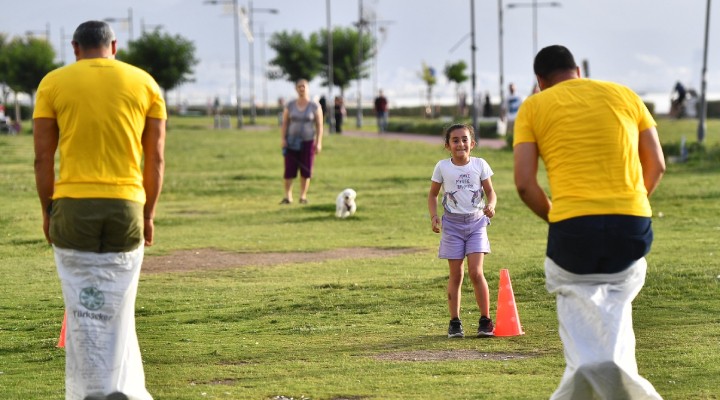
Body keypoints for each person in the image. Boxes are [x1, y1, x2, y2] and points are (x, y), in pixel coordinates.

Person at [513, 45, 665, 399]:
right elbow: (656, 164)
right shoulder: (624, 94)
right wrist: (632, 205)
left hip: (573, 231)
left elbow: (524, 184)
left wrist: (557, 217)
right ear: (578, 70)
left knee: (584, 346)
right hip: (631, 227)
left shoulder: (533, 106)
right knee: (616, 310)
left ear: (540, 81)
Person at [33, 20, 166, 400]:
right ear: (115, 46)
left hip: (73, 207)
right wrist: (149, 213)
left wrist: (48, 211)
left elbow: (43, 158)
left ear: (75, 48)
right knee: (120, 303)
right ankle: (118, 388)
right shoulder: (145, 83)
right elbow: (154, 159)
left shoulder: (53, 83)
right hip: (126, 206)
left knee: (81, 304)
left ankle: (91, 391)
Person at [428, 123, 497, 339]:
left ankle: (485, 321)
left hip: (477, 223)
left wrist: (491, 206)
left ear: (472, 144)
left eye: (465, 139)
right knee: (456, 274)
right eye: (455, 140)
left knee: (476, 272)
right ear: (447, 145)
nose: (460, 144)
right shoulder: (442, 167)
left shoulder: (480, 164)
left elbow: (490, 192)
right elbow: (432, 195)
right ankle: (455, 322)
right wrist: (434, 217)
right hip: (452, 225)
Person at [280, 79, 323, 204]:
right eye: (299, 86)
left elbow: (319, 125)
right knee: (289, 169)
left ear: (308, 88)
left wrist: (319, 142)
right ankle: (288, 197)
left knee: (306, 170)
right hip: (291, 142)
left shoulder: (315, 106)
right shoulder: (290, 105)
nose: (301, 89)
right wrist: (283, 139)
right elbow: (285, 123)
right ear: (296, 89)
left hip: (308, 141)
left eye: (303, 86)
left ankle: (303, 196)